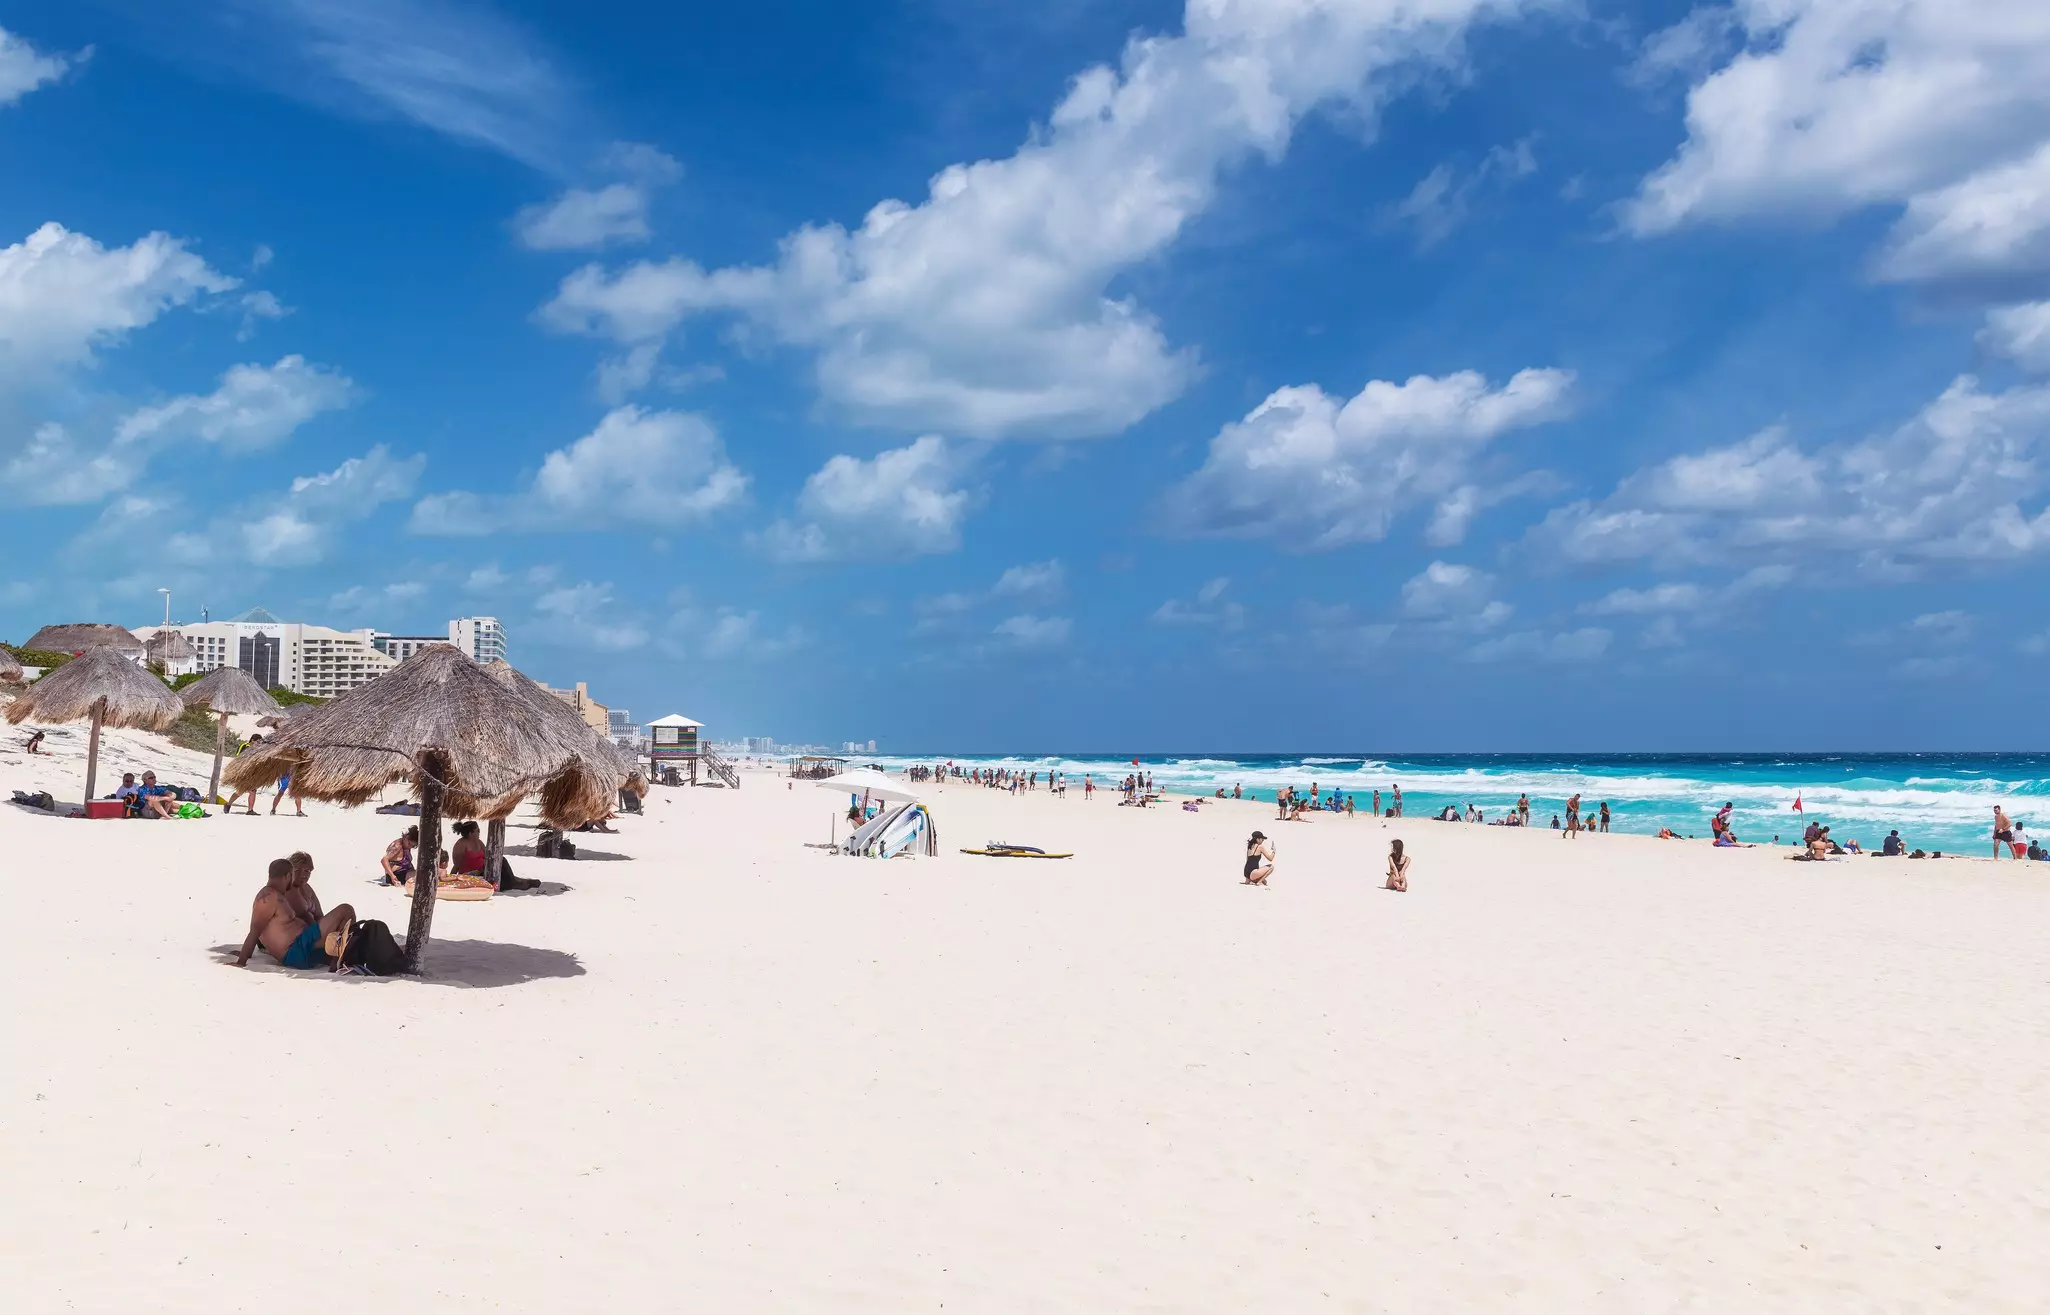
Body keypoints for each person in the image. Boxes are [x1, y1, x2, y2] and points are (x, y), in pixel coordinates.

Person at [229, 856, 354, 970]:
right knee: (346, 909)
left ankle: (340, 959)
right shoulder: (268, 897)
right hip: (297, 949)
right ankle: (339, 957)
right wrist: (242, 960)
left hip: (304, 946)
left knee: (355, 944)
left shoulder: (276, 895)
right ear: (289, 875)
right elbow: (255, 930)